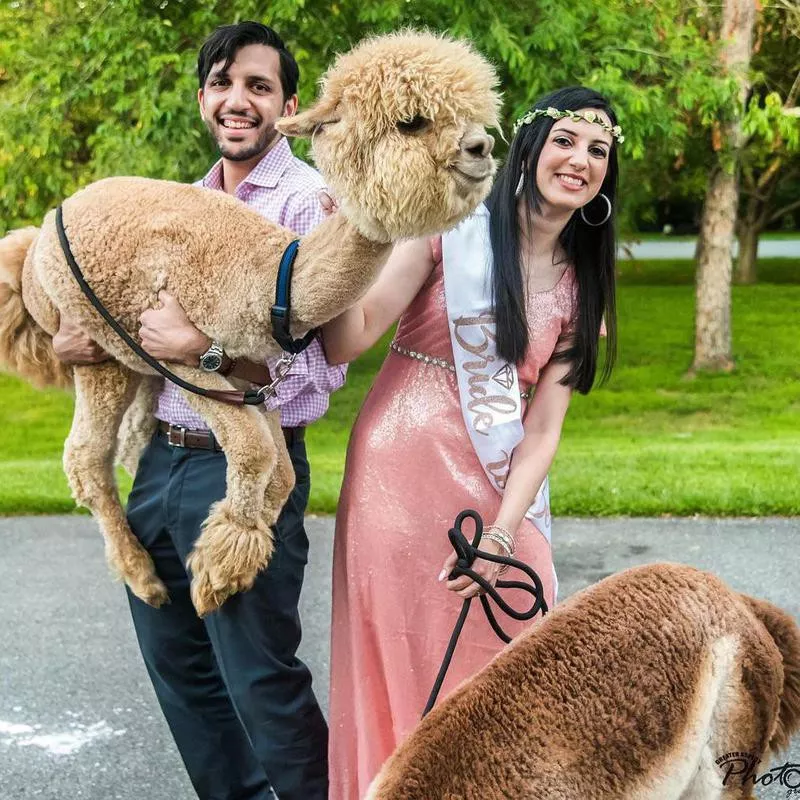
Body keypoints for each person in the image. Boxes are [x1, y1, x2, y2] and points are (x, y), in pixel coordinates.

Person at [53, 21, 344, 800]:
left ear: (288, 105)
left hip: (251, 468)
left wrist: (204, 349)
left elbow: (318, 372)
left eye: (258, 85)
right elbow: (135, 336)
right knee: (181, 676)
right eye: (222, 83)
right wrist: (87, 342)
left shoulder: (310, 205)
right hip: (160, 464)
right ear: (202, 98)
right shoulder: (177, 205)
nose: (237, 101)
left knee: (258, 677)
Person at [321, 85, 621, 797]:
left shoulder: (584, 289)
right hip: (397, 472)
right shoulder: (448, 231)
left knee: (519, 645)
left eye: (599, 151)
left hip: (496, 483)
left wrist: (503, 534)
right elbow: (352, 336)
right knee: (402, 654)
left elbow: (544, 430)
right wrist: (339, 253)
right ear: (530, 148)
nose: (580, 160)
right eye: (566, 141)